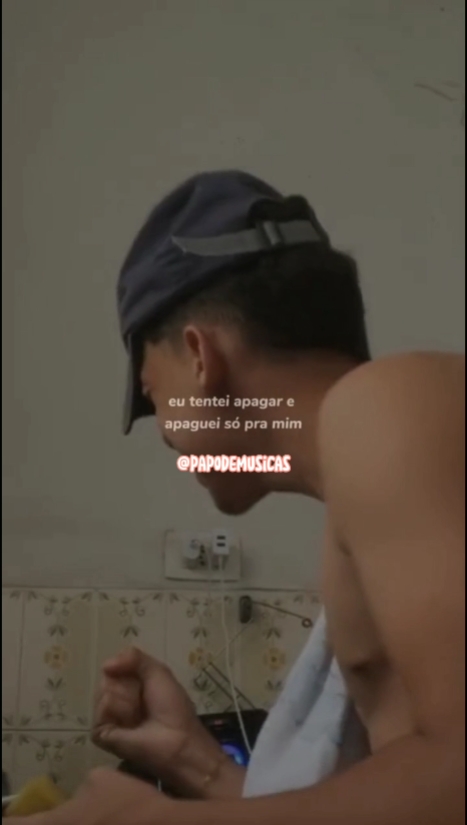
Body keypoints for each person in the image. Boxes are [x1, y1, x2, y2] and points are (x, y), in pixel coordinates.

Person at [13, 172, 465, 824]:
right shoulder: (367, 482)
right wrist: (196, 762)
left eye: (152, 395)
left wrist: (147, 820)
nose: (166, 435)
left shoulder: (384, 405)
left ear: (199, 355)